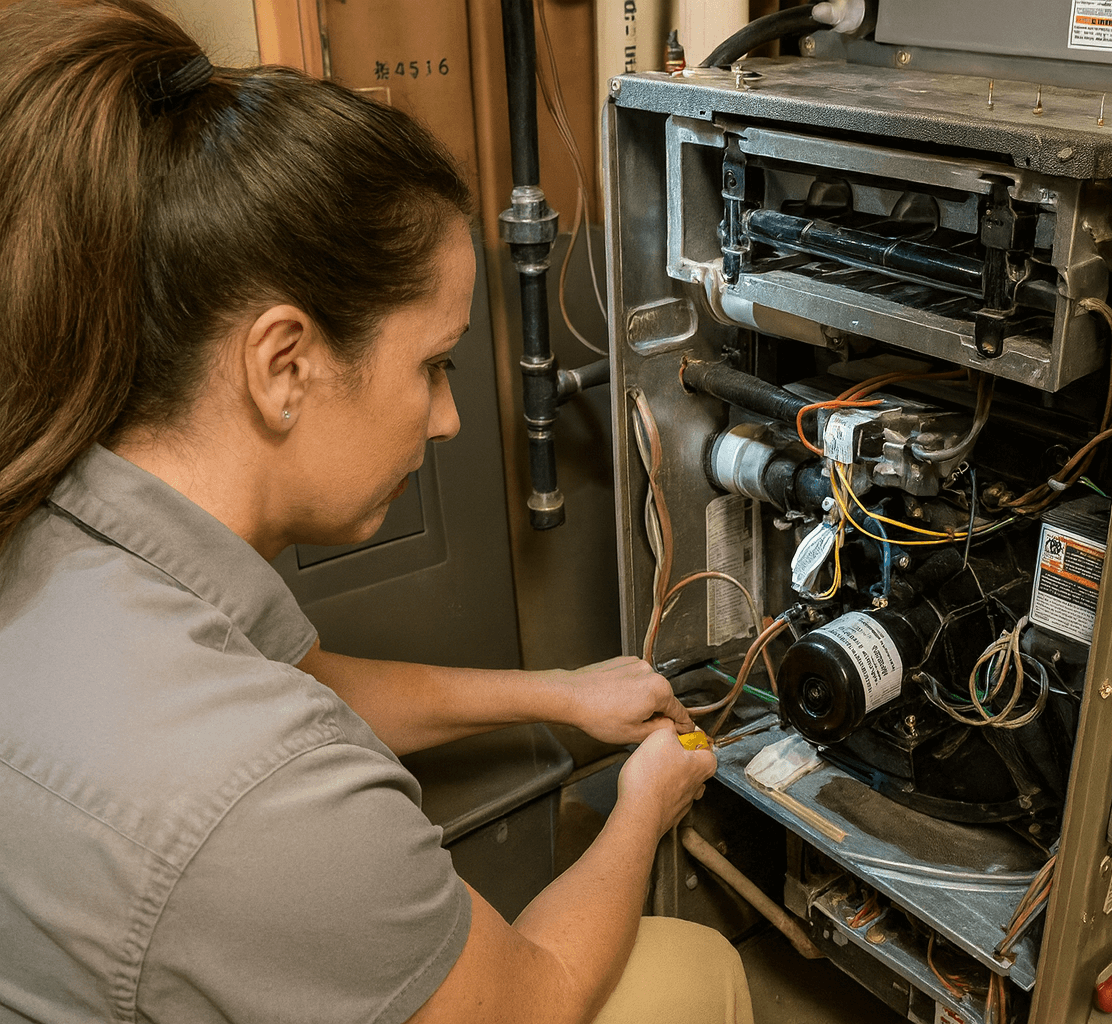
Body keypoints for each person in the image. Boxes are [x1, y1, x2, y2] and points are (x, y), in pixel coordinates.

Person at [0, 2, 752, 1022]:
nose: (447, 418)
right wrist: (644, 803)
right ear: (285, 364)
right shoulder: (264, 802)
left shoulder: (68, 523)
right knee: (689, 965)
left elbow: (300, 680)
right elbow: (529, 999)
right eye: (434, 366)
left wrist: (561, 692)